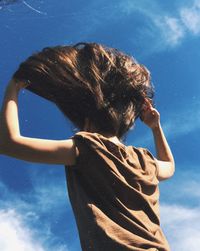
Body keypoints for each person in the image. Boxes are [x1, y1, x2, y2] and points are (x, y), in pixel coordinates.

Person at [0, 42, 174, 251]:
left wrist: (13, 88)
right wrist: (156, 127)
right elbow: (169, 166)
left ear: (87, 115)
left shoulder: (88, 148)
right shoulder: (143, 159)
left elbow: (8, 143)